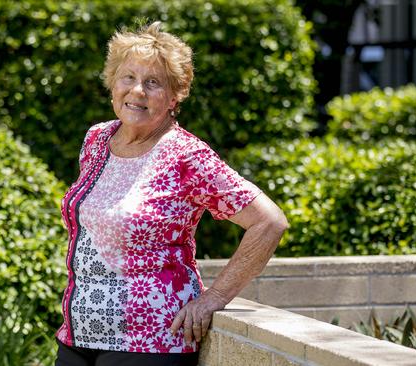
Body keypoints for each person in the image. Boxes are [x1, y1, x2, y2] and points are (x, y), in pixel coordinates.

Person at [55, 22, 289, 366]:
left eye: (153, 83)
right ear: (112, 84)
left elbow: (269, 222)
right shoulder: (97, 140)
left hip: (149, 341)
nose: (137, 91)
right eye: (128, 78)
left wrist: (215, 298)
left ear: (174, 96)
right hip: (79, 334)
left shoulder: (186, 155)